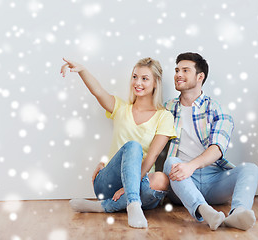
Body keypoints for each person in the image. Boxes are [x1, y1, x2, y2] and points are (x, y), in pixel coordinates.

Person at [60, 57, 176, 228]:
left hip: (142, 182)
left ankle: (103, 206)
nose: (138, 82)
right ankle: (133, 203)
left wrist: (132, 186)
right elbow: (98, 91)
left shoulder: (164, 116)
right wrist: (82, 70)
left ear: (156, 83)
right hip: (109, 182)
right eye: (135, 77)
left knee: (162, 180)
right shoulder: (121, 108)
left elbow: (153, 156)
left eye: (144, 78)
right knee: (133, 145)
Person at [163, 52, 258, 231]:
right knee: (171, 162)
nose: (178, 74)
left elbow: (217, 149)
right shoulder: (167, 108)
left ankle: (238, 213)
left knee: (250, 168)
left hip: (214, 180)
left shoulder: (217, 109)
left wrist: (191, 165)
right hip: (182, 181)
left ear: (200, 77)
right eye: (176, 70)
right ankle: (203, 210)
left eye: (185, 70)